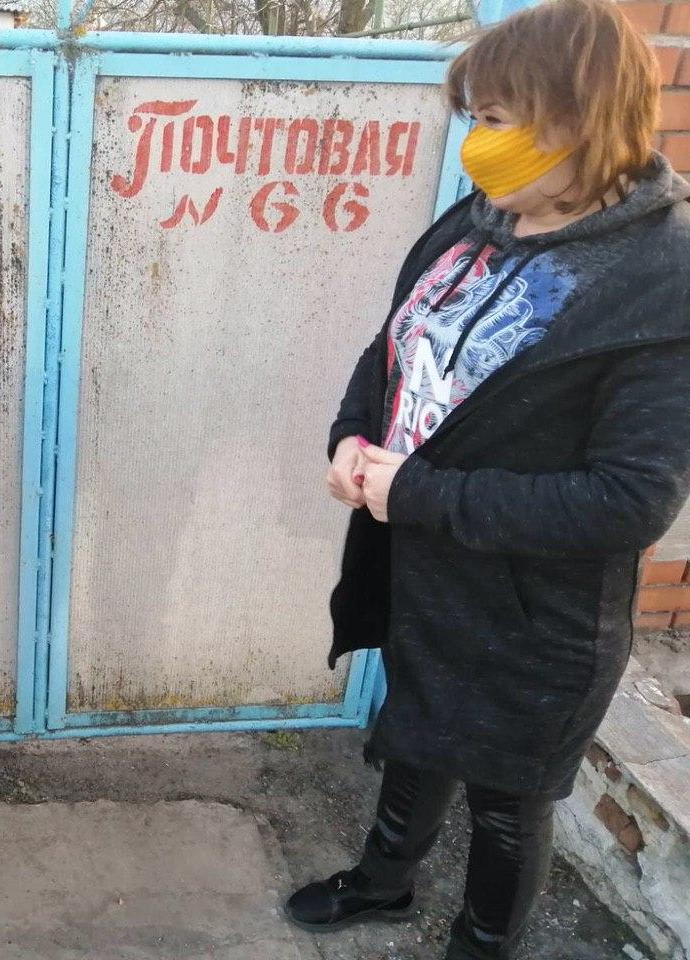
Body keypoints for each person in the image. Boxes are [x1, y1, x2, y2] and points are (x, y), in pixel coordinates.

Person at [286, 1, 690, 957]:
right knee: (414, 737)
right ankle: (385, 883)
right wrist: (353, 433)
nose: (478, 140)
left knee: (507, 802)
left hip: (534, 612)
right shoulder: (483, 218)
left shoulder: (663, 275)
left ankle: (482, 944)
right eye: (476, 115)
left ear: (578, 117)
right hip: (426, 570)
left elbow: (629, 500)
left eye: (499, 117)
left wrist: (419, 494)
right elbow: (398, 346)